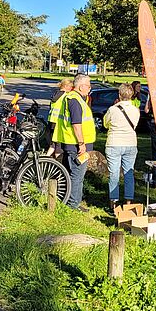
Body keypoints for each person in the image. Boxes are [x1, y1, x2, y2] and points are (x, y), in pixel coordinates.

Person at [52, 74, 96, 211]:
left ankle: (73, 201)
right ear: (81, 86)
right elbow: (77, 124)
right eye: (89, 85)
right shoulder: (75, 100)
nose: (90, 88)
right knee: (77, 174)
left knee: (76, 174)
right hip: (76, 145)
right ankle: (72, 204)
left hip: (73, 143)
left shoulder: (75, 98)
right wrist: (81, 143)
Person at [104, 83, 140, 208]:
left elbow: (105, 123)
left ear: (119, 95)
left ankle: (113, 202)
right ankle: (128, 202)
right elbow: (134, 125)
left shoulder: (112, 110)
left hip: (114, 142)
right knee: (129, 172)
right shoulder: (136, 110)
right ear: (132, 95)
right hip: (130, 143)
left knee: (114, 173)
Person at [46, 78, 74, 156]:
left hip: (51, 121)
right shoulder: (65, 96)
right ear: (66, 86)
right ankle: (58, 162)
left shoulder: (56, 94)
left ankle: (45, 159)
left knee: (53, 144)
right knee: (58, 145)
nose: (71, 88)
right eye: (70, 86)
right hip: (58, 122)